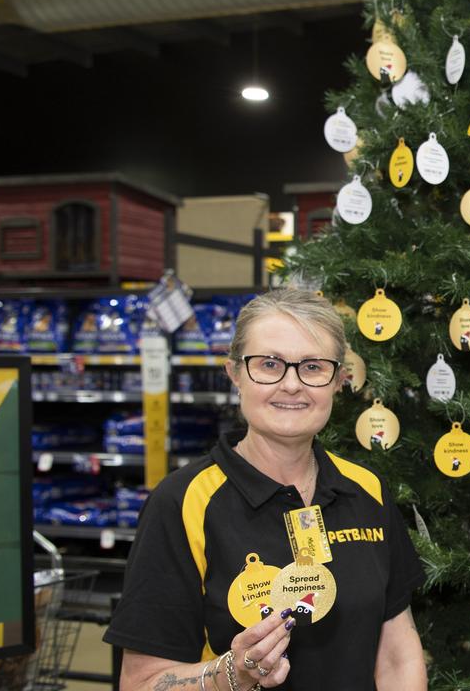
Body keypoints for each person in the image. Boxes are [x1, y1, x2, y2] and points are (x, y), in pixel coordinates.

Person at [105, 289, 427, 690]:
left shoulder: (366, 490)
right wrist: (231, 674)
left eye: (312, 367)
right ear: (235, 374)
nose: (291, 385)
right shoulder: (183, 501)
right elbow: (141, 683)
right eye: (269, 364)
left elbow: (398, 654)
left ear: (339, 380)